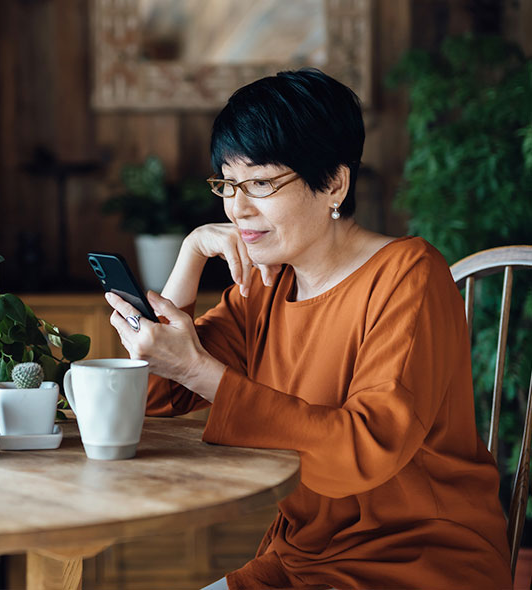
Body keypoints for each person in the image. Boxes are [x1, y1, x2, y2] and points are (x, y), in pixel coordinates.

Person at [104, 68, 512, 589]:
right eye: (228, 184)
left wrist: (200, 371)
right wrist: (190, 255)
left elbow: (364, 450)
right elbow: (153, 394)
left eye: (260, 183)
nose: (238, 207)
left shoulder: (409, 275)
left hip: (419, 560)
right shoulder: (268, 285)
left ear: (334, 183)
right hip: (303, 557)